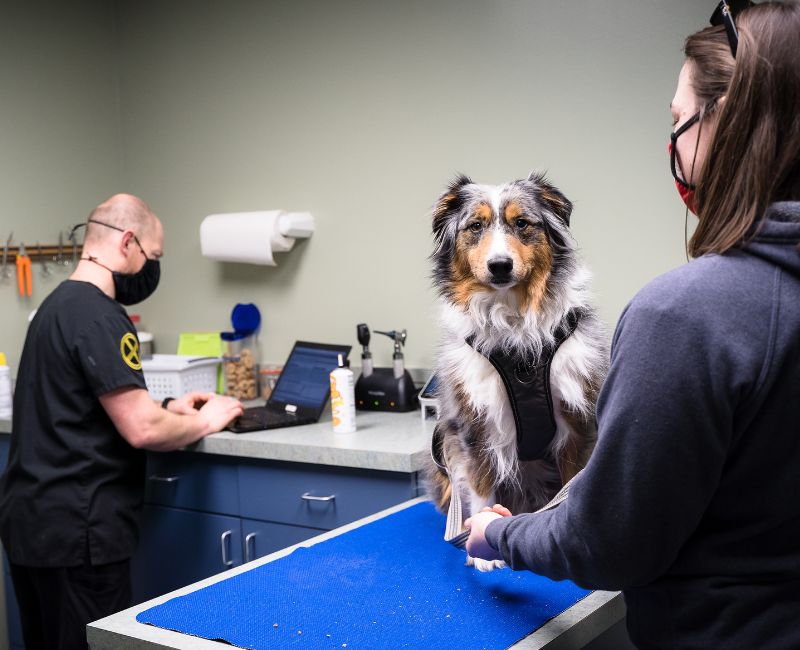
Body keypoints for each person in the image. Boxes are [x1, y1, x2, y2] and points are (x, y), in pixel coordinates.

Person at [465, 2, 800, 648]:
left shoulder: (683, 316)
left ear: (729, 124)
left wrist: (501, 535)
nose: (672, 143)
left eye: (679, 121)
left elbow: (610, 541)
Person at [0, 194, 244, 649]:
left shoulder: (55, 308)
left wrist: (168, 411)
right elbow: (142, 429)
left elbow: (79, 408)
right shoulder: (100, 316)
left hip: (31, 524)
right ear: (129, 243)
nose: (153, 268)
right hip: (79, 533)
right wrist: (206, 420)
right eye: (154, 257)